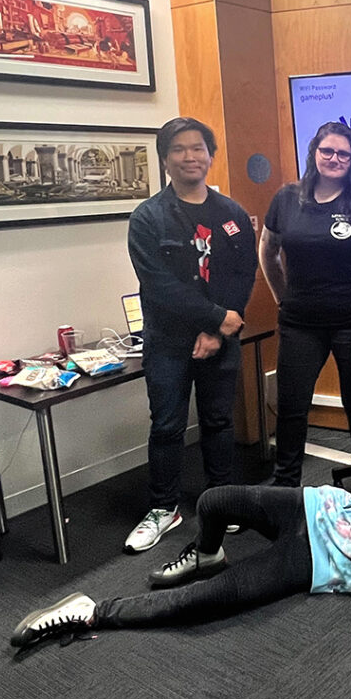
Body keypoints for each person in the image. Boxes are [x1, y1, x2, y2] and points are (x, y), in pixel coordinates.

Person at [10, 422, 351, 648]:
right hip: (316, 508)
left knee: (204, 600)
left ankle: (92, 612)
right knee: (214, 500)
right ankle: (207, 553)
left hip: (322, 564)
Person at [125, 117, 257, 553]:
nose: (189, 157)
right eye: (179, 149)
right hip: (168, 342)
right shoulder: (148, 218)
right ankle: (164, 507)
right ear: (165, 159)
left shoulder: (232, 214)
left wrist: (219, 329)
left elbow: (243, 272)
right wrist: (216, 318)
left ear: (210, 155)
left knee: (219, 421)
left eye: (197, 148)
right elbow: (160, 285)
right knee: (166, 426)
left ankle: (220, 500)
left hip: (220, 338)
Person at [259, 122, 351, 489]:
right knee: (291, 408)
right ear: (314, 153)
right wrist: (281, 298)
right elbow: (267, 251)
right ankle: (285, 487)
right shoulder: (287, 198)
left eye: (343, 154)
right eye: (327, 151)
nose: (334, 159)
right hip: (300, 324)